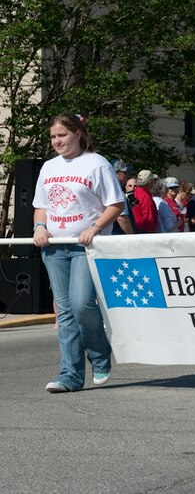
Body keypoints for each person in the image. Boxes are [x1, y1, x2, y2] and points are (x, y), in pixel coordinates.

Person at [32, 113, 125, 393]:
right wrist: (39, 226)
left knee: (82, 304)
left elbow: (116, 204)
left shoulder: (97, 164)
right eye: (53, 136)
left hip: (86, 246)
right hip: (55, 247)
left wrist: (95, 227)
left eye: (62, 135)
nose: (57, 141)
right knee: (65, 311)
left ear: (78, 134)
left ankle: (99, 355)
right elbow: (42, 206)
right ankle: (69, 375)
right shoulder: (48, 167)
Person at [110, 159, 135, 234]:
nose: (127, 175)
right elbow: (122, 218)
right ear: (116, 173)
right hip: (117, 237)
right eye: (125, 172)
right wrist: (132, 238)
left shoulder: (108, 189)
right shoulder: (116, 191)